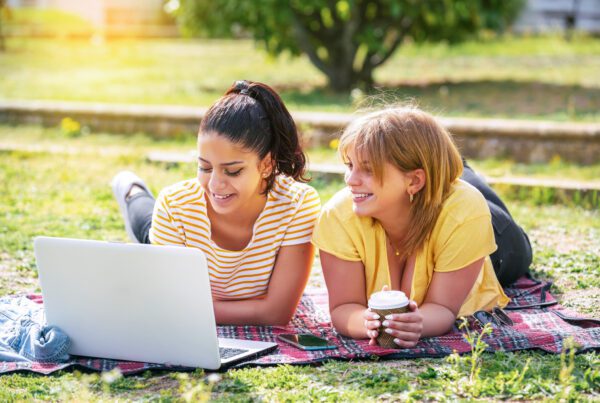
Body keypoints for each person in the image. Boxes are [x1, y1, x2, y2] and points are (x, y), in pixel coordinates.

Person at [311, 106, 532, 348]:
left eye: (369, 169)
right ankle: (436, 163)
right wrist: (366, 323)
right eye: (349, 165)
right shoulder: (338, 216)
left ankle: (451, 168)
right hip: (417, 188)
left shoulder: (466, 211)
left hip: (488, 236)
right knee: (438, 177)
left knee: (514, 247)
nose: (350, 180)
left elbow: (444, 307)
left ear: (414, 180)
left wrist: (419, 323)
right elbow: (344, 308)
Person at [111, 80, 321, 326]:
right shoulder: (175, 205)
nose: (214, 184)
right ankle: (132, 191)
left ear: (266, 165)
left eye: (232, 171)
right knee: (146, 226)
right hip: (170, 226)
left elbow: (277, 314)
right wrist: (255, 309)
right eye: (205, 167)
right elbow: (171, 303)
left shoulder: (297, 204)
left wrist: (193, 308)